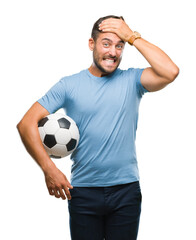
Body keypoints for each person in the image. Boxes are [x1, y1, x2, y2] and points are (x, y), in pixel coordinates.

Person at [17, 15, 179, 240]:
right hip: (83, 193)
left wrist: (132, 36)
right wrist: (49, 169)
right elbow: (26, 124)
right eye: (106, 43)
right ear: (91, 44)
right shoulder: (69, 85)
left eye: (119, 45)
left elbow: (170, 72)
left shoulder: (133, 80)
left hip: (126, 191)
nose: (113, 52)